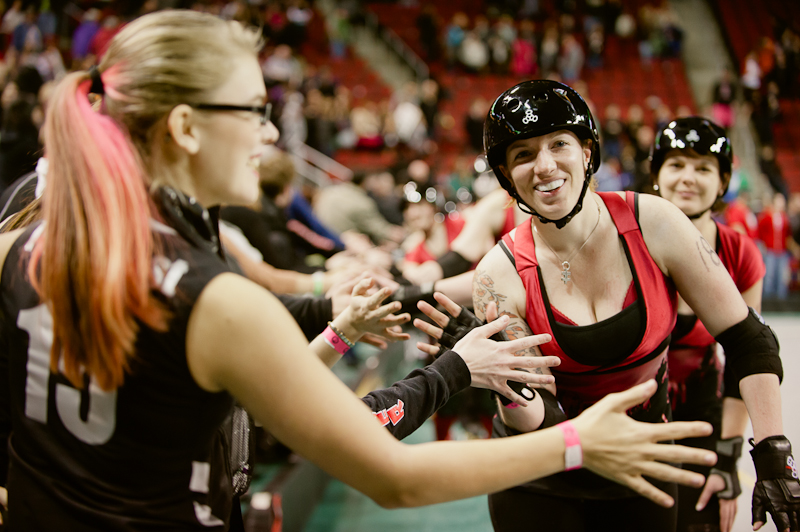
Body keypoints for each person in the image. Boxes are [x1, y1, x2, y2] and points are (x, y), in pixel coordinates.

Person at [0, 11, 718, 531]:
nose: (272, 133)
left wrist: (340, 329)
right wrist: (575, 441)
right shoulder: (212, 299)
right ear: (186, 128)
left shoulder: (25, 235)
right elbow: (393, 478)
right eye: (255, 110)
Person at [472, 80, 796, 532]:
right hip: (538, 476)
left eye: (558, 144)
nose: (544, 166)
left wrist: (773, 454)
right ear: (506, 175)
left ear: (587, 152)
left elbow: (748, 339)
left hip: (642, 466)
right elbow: (538, 418)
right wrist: (504, 386)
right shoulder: (498, 276)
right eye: (523, 154)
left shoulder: (655, 223)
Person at [650, 117, 765, 532]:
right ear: (657, 175)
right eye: (676, 164)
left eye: (703, 168)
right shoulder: (626, 242)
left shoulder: (738, 252)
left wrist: (730, 455)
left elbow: (746, 359)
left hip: (703, 408)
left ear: (722, 183)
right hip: (634, 411)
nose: (688, 178)